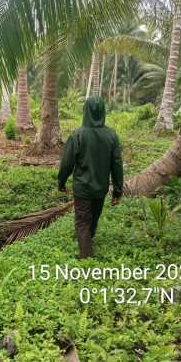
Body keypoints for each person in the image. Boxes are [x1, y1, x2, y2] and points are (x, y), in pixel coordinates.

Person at [58, 96, 124, 258]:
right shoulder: (111, 136)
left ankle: (86, 257)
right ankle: (87, 240)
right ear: (103, 112)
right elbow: (117, 165)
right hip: (100, 188)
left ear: (85, 111)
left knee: (82, 222)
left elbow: (67, 163)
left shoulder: (77, 135)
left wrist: (61, 181)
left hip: (82, 188)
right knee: (93, 218)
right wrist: (117, 190)